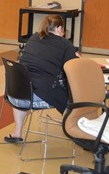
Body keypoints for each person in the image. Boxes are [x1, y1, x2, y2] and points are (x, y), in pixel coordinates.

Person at [5, 15, 79, 143]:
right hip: (35, 99)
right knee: (74, 95)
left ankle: (17, 132)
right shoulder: (65, 45)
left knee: (28, 82)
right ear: (60, 28)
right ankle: (79, 133)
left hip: (14, 95)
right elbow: (73, 70)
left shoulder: (34, 38)